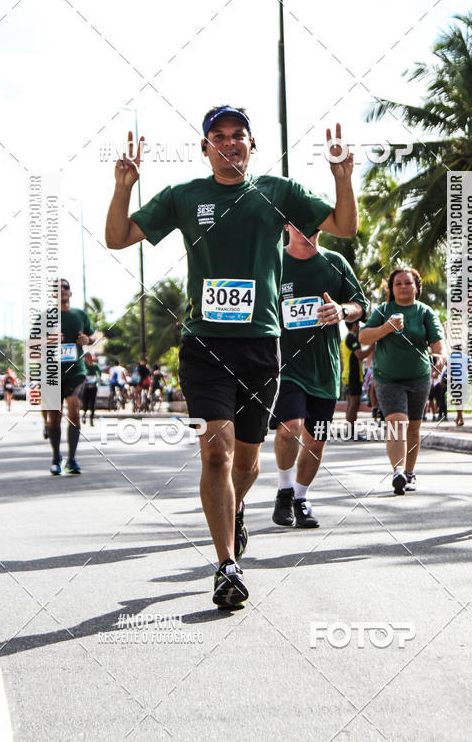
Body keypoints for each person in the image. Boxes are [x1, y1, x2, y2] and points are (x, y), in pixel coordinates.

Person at [105, 107, 357, 608]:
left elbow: (344, 227)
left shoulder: (278, 192)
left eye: (237, 136)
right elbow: (117, 238)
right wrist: (123, 187)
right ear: (205, 148)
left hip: (263, 346)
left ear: (251, 144)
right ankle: (225, 565)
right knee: (214, 452)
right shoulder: (185, 196)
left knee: (247, 461)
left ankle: (235, 508)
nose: (228, 144)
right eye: (217, 137)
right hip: (204, 345)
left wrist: (341, 177)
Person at [270, 225, 366, 528]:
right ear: (287, 226)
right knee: (290, 428)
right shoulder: (273, 261)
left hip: (324, 368)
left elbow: (360, 306)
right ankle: (284, 491)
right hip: (285, 366)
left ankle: (301, 497)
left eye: (314, 224)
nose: (307, 230)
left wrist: (342, 310)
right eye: (299, 223)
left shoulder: (335, 262)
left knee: (316, 441)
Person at [359, 267, 446, 494]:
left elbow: (438, 342)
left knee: (414, 427)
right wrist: (386, 328)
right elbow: (363, 337)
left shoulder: (425, 312)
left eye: (408, 283)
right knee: (397, 422)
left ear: (417, 287)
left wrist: (440, 356)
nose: (403, 287)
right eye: (398, 283)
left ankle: (409, 472)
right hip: (388, 378)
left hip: (419, 377)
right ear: (391, 289)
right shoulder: (384, 310)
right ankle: (398, 471)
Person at [41, 279, 96, 475]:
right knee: (54, 418)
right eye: (58, 288)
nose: (62, 290)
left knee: (74, 408)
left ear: (70, 293)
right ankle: (56, 457)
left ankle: (72, 458)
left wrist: (87, 339)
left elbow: (94, 335)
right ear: (54, 294)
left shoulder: (80, 314)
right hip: (52, 373)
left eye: (65, 287)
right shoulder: (46, 316)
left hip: (76, 371)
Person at [344, 321, 374, 439]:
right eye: (358, 324)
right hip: (353, 375)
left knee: (350, 405)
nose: (360, 327)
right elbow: (360, 355)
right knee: (354, 405)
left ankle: (349, 432)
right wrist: (373, 347)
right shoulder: (352, 338)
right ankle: (351, 433)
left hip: (347, 375)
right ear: (355, 324)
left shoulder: (345, 339)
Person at [82, 352, 101, 425]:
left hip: (93, 386)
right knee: (85, 402)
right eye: (86, 357)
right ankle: (84, 415)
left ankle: (91, 418)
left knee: (93, 403)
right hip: (85, 386)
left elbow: (99, 374)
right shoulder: (84, 365)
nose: (88, 359)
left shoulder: (95, 366)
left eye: (89, 357)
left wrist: (99, 379)